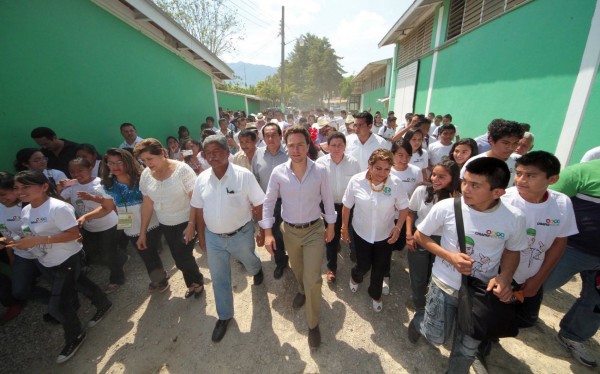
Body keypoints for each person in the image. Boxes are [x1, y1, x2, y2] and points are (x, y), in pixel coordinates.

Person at [407, 157, 528, 374]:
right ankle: (420, 320)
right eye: (464, 182)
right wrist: (449, 256)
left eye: (475, 185)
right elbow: (420, 235)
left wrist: (505, 277)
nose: (466, 189)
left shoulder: (514, 218)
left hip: (480, 292)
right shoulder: (447, 207)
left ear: (497, 192)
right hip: (443, 285)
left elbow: (512, 250)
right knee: (436, 336)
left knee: (467, 348)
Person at [474, 151, 578, 362]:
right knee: (486, 319)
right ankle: (477, 352)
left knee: (524, 319)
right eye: (519, 173)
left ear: (552, 179)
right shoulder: (503, 198)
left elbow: (559, 242)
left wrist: (538, 280)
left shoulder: (562, 204)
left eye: (530, 175)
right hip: (497, 275)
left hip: (531, 276)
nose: (521, 180)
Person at [9, 171, 112, 364]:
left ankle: (75, 335)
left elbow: (73, 234)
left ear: (44, 187)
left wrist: (39, 239)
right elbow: (27, 231)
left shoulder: (58, 208)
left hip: (67, 257)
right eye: (17, 188)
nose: (20, 192)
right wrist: (14, 241)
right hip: (46, 261)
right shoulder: (26, 210)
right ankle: (103, 303)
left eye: (26, 187)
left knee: (58, 305)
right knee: (79, 282)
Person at [260, 125, 336, 349]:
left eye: (300, 144)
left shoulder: (320, 170)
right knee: (298, 269)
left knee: (313, 277)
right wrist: (267, 232)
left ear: (308, 145)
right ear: (287, 146)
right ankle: (301, 291)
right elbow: (269, 201)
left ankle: (313, 324)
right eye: (291, 145)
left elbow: (328, 200)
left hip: (314, 230)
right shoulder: (278, 172)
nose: (295, 149)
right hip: (290, 231)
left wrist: (331, 225)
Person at [191, 135, 265, 342]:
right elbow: (198, 209)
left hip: (241, 235)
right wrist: (202, 237)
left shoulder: (243, 176)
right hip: (213, 238)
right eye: (208, 153)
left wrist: (261, 230)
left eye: (216, 151)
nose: (212, 156)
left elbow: (259, 203)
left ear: (227, 152)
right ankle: (224, 316)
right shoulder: (201, 179)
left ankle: (257, 269)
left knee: (250, 260)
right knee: (219, 278)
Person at [78, 148, 168, 293]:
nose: (115, 166)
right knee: (146, 254)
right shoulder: (108, 186)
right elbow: (106, 208)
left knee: (149, 253)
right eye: (111, 163)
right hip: (130, 226)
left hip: (152, 221)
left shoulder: (142, 178)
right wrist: (86, 217)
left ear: (128, 162)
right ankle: (159, 277)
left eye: (119, 162)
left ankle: (159, 278)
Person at [544, 159, 600, 368]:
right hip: (572, 249)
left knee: (596, 301)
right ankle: (512, 316)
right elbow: (548, 202)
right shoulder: (582, 172)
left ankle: (573, 335)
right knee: (540, 285)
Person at [134, 139, 204, 299]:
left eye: (150, 159)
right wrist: (142, 232)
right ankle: (192, 284)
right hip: (165, 223)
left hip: (186, 221)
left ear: (163, 154)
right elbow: (147, 204)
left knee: (182, 257)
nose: (147, 163)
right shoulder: (146, 174)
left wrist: (192, 224)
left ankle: (198, 280)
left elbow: (195, 199)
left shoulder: (182, 170)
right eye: (143, 160)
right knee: (179, 256)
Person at [343, 149, 409, 312]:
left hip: (384, 236)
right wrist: (344, 228)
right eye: (378, 168)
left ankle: (375, 293)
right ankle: (355, 276)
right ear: (369, 165)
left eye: (387, 169)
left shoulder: (395, 184)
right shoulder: (356, 181)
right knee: (363, 265)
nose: (382, 173)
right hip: (361, 234)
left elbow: (404, 208)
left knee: (380, 268)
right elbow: (346, 206)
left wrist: (398, 227)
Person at [61, 158, 125, 293]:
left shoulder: (100, 184)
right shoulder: (72, 186)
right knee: (92, 254)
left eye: (80, 170)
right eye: (72, 171)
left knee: (108, 254)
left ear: (90, 168)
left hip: (108, 225)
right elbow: (61, 202)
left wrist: (91, 198)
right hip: (89, 227)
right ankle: (120, 257)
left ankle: (117, 279)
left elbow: (108, 205)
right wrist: (59, 189)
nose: (76, 174)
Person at [405, 159, 461, 316]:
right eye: (434, 174)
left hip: (444, 243)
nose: (435, 179)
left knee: (435, 276)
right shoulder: (422, 190)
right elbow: (410, 212)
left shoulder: (458, 198)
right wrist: (409, 235)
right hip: (419, 236)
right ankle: (419, 306)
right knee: (417, 274)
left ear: (453, 179)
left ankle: (432, 301)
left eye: (442, 176)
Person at [315, 133, 361, 283]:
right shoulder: (320, 163)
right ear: (327, 147)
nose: (336, 148)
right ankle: (331, 268)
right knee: (331, 236)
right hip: (328, 206)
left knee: (352, 232)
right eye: (333, 145)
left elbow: (359, 185)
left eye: (340, 145)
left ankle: (355, 255)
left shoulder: (353, 163)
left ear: (345, 146)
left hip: (349, 206)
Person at [381, 139, 424, 294]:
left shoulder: (416, 172)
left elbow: (418, 193)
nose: (404, 159)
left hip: (405, 218)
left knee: (398, 245)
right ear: (392, 155)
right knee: (386, 246)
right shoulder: (386, 170)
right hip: (387, 216)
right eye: (400, 155)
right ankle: (384, 275)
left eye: (408, 155)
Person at [252, 123, 289, 279]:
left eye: (274, 134)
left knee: (291, 232)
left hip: (289, 201)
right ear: (263, 137)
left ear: (281, 136)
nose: (270, 138)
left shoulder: (290, 153)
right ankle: (281, 262)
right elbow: (255, 178)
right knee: (274, 233)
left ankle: (296, 257)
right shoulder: (258, 154)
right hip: (269, 203)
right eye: (267, 135)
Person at [461, 119, 524, 186]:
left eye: (515, 143)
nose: (511, 148)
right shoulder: (475, 162)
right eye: (505, 143)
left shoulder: (518, 163)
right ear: (491, 140)